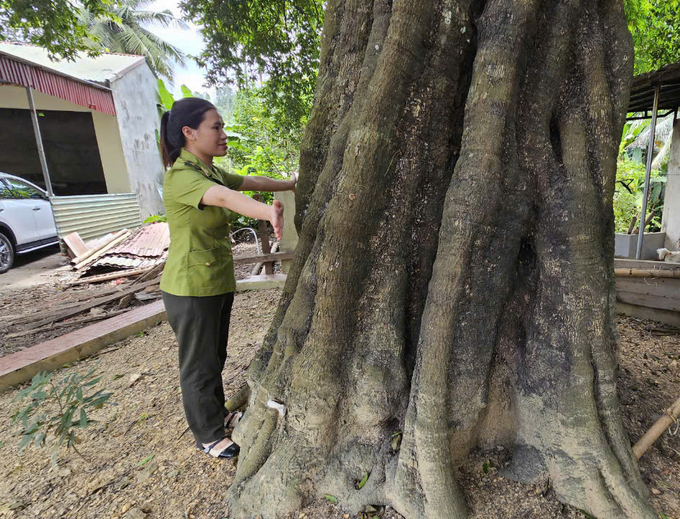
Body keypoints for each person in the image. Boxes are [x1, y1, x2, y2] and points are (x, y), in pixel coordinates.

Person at [159, 97, 296, 459]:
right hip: (190, 289)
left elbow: (248, 180)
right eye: (215, 127)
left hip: (214, 283)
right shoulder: (181, 177)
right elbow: (225, 198)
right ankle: (207, 434)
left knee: (214, 356)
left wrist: (289, 184)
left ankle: (217, 414)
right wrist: (268, 212)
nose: (223, 135)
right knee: (199, 364)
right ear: (189, 133)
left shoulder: (210, 171)